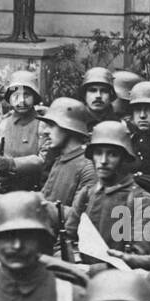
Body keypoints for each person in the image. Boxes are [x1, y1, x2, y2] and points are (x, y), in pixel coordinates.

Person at [64, 120, 150, 271]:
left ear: (124, 158)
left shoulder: (142, 201)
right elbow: (68, 239)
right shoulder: (87, 194)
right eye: (98, 153)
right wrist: (75, 262)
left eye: (112, 154)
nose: (103, 161)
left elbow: (142, 261)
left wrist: (93, 270)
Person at [0, 70, 45, 193]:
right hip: (3, 191)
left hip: (34, 192)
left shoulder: (43, 124)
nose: (21, 101)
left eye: (27, 95)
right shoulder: (3, 123)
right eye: (16, 96)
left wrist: (12, 164)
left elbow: (44, 159)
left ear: (35, 97)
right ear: (9, 98)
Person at [38, 97, 96, 230]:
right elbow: (46, 195)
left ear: (69, 127)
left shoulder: (87, 167)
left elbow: (83, 217)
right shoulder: (61, 159)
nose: (46, 131)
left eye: (52, 125)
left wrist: (41, 207)